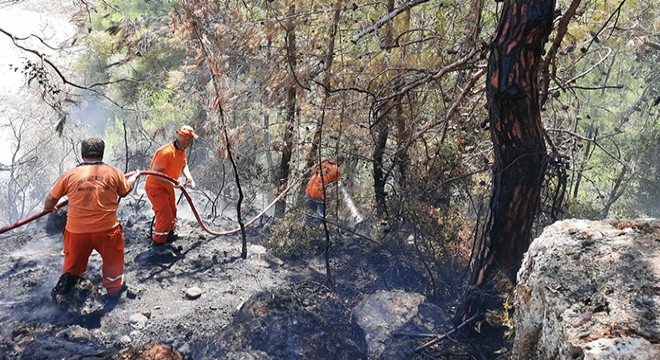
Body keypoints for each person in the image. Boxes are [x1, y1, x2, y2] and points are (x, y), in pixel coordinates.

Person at [44, 137, 139, 298]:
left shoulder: (69, 175)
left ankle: (66, 293)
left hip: (76, 233)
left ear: (82, 154)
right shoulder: (114, 172)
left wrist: (49, 208)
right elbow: (124, 191)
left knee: (72, 269)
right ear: (102, 154)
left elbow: (50, 201)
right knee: (113, 262)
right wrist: (133, 178)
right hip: (107, 231)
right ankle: (114, 290)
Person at [145, 125, 198, 245]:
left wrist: (188, 177)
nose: (191, 142)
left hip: (167, 186)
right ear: (186, 139)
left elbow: (184, 165)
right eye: (190, 139)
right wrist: (173, 183)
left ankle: (168, 236)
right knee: (165, 216)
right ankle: (158, 244)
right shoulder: (166, 152)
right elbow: (155, 173)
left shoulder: (181, 150)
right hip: (156, 188)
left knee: (172, 212)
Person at [304, 155, 344, 225]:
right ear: (340, 162)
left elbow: (314, 170)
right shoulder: (336, 170)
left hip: (309, 189)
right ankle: (314, 225)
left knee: (311, 210)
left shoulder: (323, 162)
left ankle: (305, 225)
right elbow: (336, 182)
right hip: (318, 192)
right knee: (324, 212)